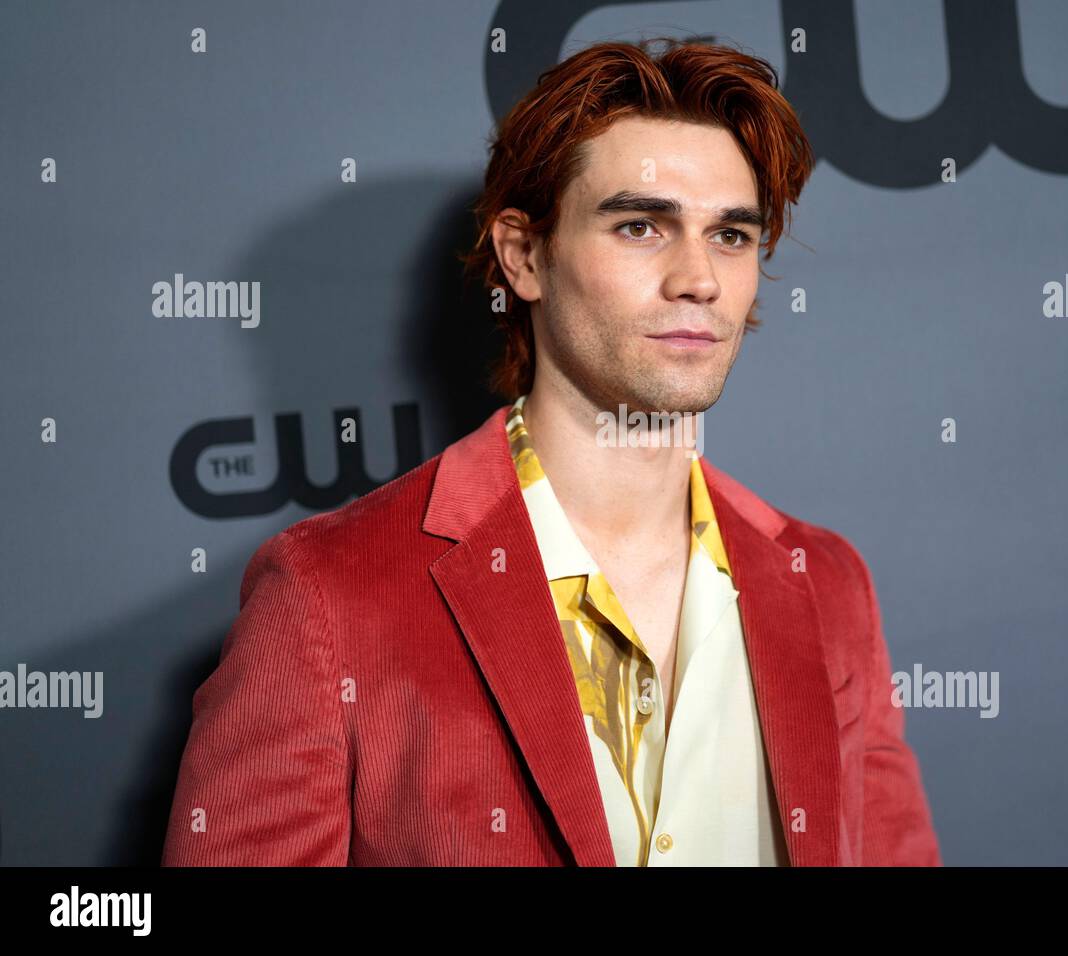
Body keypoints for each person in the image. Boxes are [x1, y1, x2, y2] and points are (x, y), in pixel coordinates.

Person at [161, 37, 941, 867]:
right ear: (524, 256)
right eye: (642, 226)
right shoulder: (326, 596)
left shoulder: (826, 585)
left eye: (732, 235)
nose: (699, 279)